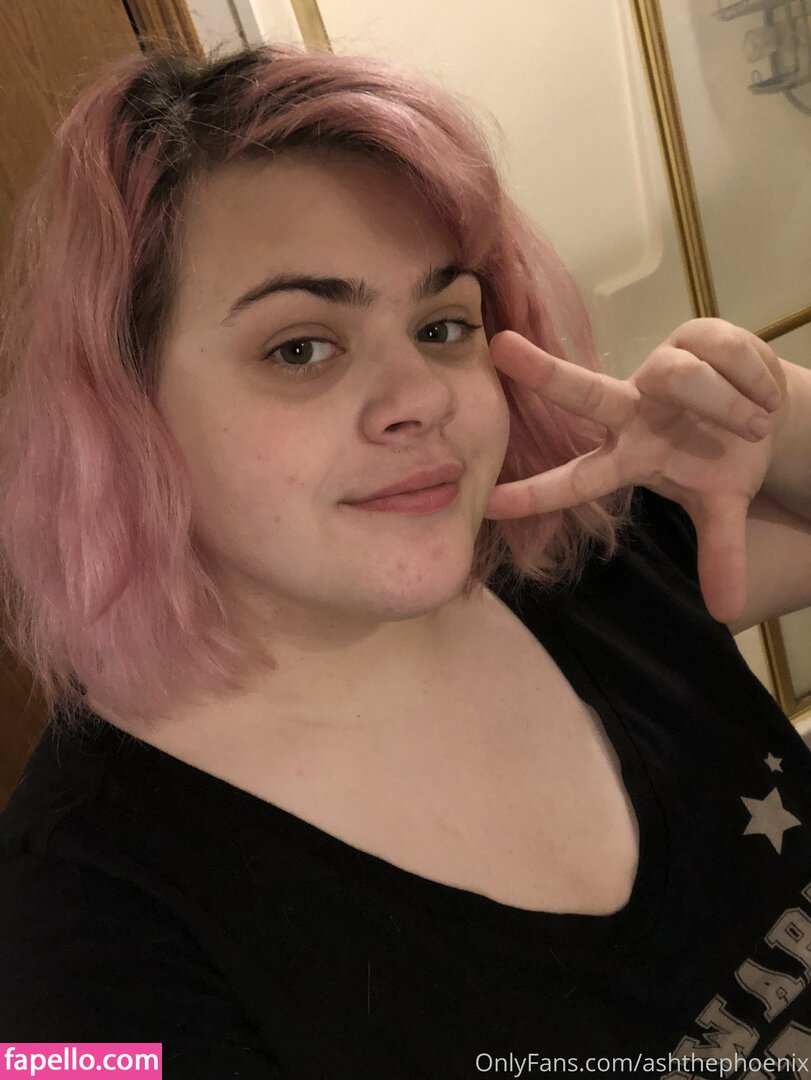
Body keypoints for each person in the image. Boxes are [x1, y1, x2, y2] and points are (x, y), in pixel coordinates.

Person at [1, 40, 811, 1080]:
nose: (422, 398)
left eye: (441, 325)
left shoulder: (575, 555)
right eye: (301, 347)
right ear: (122, 410)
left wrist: (785, 427)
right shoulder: (75, 945)